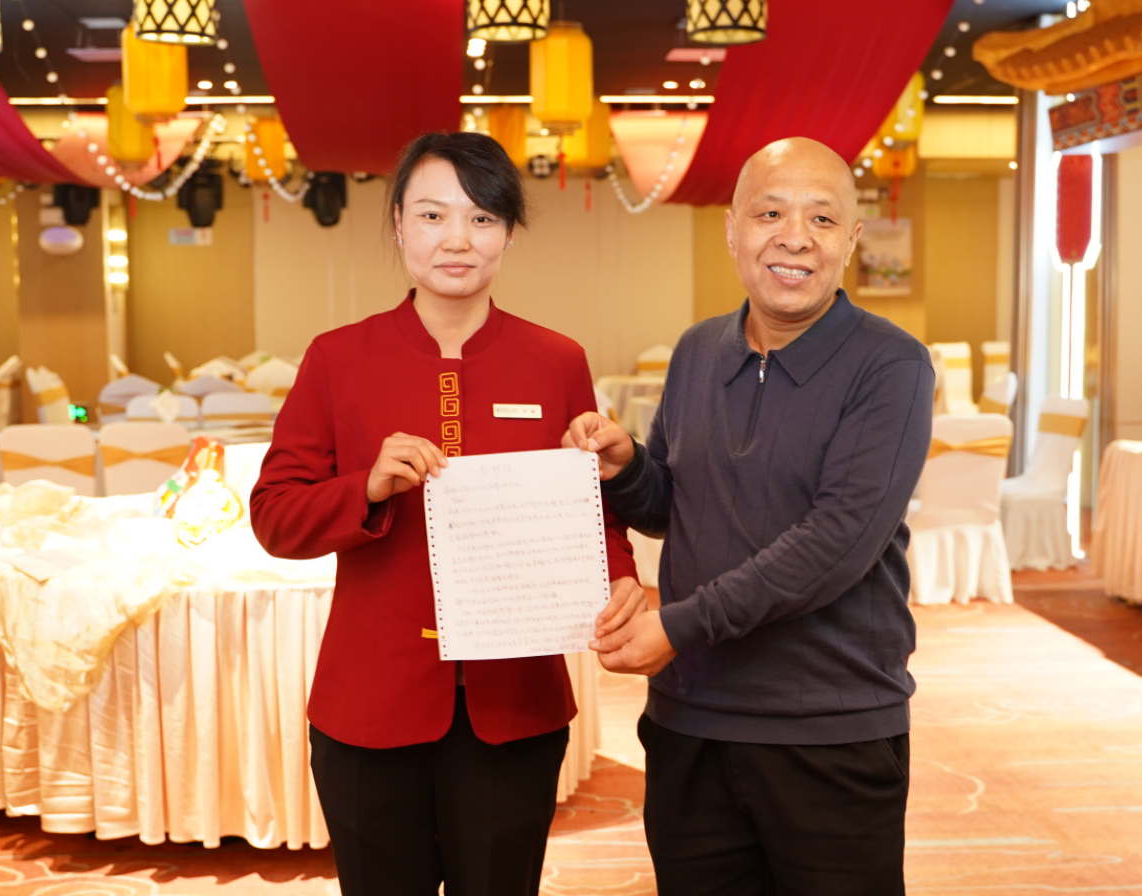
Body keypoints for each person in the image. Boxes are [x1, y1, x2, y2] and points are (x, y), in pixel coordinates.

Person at [251, 131, 644, 896]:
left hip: (515, 707)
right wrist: (365, 488)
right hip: (371, 705)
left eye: (482, 218)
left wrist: (620, 579)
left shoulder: (556, 360)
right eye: (432, 216)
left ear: (508, 232)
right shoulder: (337, 358)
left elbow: (589, 507)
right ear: (399, 223)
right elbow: (275, 515)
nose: (457, 239)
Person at [568, 137, 935, 895]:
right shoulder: (698, 350)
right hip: (691, 720)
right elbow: (674, 506)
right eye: (770, 214)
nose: (794, 237)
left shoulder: (891, 365)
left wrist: (677, 627)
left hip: (827, 731)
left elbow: (837, 544)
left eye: (821, 219)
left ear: (851, 241)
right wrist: (626, 466)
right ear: (733, 230)